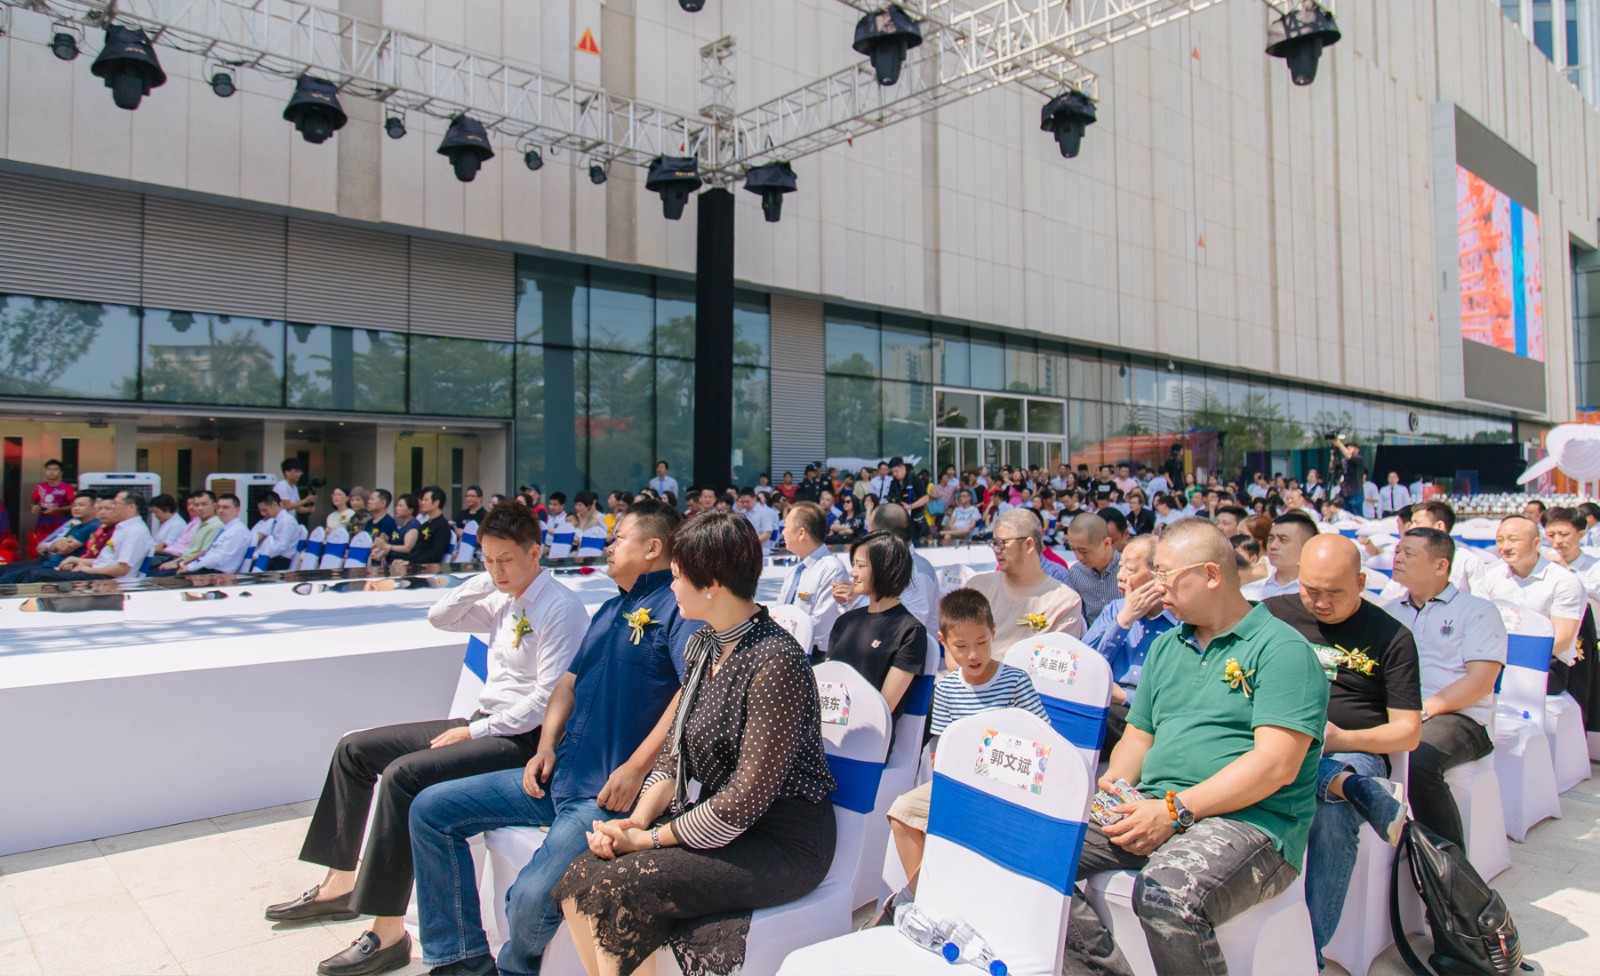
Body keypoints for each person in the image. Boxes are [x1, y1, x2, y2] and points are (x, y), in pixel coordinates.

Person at [268, 503, 588, 976]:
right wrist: (489, 580)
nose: (497, 569)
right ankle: (339, 883)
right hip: (483, 720)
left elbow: (547, 699)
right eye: (488, 559)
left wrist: (473, 731)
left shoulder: (560, 607)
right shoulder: (502, 596)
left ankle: (387, 932)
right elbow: (441, 616)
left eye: (505, 559)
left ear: (535, 552)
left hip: (521, 738)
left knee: (404, 776)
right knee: (355, 750)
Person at [408, 501, 697, 976]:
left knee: (527, 898)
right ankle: (459, 958)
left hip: (605, 794)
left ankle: (512, 968)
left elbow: (691, 692)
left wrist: (636, 769)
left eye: (619, 538)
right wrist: (545, 747)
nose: (608, 546)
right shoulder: (611, 609)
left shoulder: (678, 610)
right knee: (430, 810)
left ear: (652, 548)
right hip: (561, 774)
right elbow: (566, 683)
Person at [553, 513, 836, 976]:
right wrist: (635, 822)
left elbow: (744, 800)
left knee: (621, 889)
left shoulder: (776, 663)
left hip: (780, 840)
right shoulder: (703, 644)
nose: (672, 587)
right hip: (722, 819)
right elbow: (674, 756)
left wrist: (647, 840)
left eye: (678, 576)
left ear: (712, 584)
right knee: (579, 878)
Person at [1063, 518, 1329, 976]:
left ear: (1210, 575)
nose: (1154, 584)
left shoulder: (1282, 649)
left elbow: (1275, 766)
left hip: (1251, 822)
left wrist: (1174, 810)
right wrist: (1114, 787)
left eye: (1165, 574)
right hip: (1156, 804)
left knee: (1166, 893)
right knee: (1036, 847)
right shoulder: (1169, 645)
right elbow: (1139, 736)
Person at [1262, 535, 1420, 965]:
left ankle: (1308, 954)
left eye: (1335, 592)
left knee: (1332, 812)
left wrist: (1340, 739)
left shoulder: (1392, 636)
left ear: (1361, 582)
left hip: (1353, 748)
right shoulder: (1272, 615)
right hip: (1278, 738)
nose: (1321, 603)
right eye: (1311, 590)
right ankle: (1354, 789)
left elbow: (1408, 732)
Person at [883, 588, 1049, 898]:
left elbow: (1042, 740)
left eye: (982, 643)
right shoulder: (947, 689)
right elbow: (942, 745)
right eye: (961, 646)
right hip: (960, 784)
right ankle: (925, 896)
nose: (973, 655)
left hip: (1006, 787)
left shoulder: (1015, 681)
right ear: (944, 642)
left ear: (993, 633)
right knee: (902, 810)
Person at [1385, 528, 1504, 850]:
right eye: (1397, 552)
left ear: (1440, 566)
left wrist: (1423, 710)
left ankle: (1448, 865)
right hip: (1400, 710)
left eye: (1409, 554)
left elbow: (1480, 682)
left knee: (1419, 758)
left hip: (1461, 718)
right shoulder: (1390, 610)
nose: (1398, 559)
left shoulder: (1477, 611)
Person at [1083, 535, 1179, 756]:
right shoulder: (1115, 610)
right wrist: (1124, 621)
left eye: (1131, 570)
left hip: (1150, 716)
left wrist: (1125, 697)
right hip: (1104, 704)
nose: (1121, 576)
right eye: (1120, 567)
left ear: (1158, 574)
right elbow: (1085, 666)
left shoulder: (1180, 618)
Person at [825, 531, 926, 716]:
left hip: (869, 726)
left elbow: (884, 707)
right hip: (829, 721)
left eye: (861, 565)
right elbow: (827, 680)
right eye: (853, 564)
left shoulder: (910, 631)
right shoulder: (845, 621)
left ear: (884, 568)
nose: (853, 573)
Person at [1482, 515, 1586, 692]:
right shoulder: (1490, 575)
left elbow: (1561, 640)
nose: (1505, 547)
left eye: (1513, 540)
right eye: (1500, 540)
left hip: (1544, 663)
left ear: (1536, 543)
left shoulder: (1564, 581)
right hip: (1493, 658)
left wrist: (1509, 655)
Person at [967, 509, 1084, 660]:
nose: (996, 550)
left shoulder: (1065, 601)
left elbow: (1055, 664)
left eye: (1002, 543)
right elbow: (956, 645)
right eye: (994, 543)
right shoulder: (977, 587)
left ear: (1029, 545)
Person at [13, 490, 153, 584]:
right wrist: (78, 561)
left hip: (108, 580)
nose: (113, 507)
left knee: (35, 575)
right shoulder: (123, 528)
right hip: (99, 572)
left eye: (116, 504)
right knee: (28, 573)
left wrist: (87, 569)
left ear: (132, 507)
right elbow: (107, 561)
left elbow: (121, 570)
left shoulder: (135, 531)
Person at [777, 501, 851, 656]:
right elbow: (780, 611)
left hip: (813, 654)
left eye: (785, 526)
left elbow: (821, 626)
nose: (783, 532)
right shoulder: (794, 572)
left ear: (801, 533)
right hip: (787, 651)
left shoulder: (831, 569)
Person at [0, 493, 98, 583]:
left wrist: (55, 545)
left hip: (57, 566)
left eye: (81, 505)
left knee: (10, 577)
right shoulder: (76, 526)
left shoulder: (93, 525)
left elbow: (63, 548)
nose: (76, 508)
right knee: (4, 569)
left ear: (94, 508)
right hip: (48, 561)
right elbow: (57, 545)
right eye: (74, 505)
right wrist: (57, 545)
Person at [1241, 511, 1318, 601]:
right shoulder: (1249, 593)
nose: (1273, 546)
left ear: (1306, 546)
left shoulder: (1316, 594)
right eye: (1270, 539)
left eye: (1283, 540)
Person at [1066, 512, 1123, 624]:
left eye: (1084, 551)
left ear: (1106, 543)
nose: (1078, 557)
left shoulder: (1128, 569)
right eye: (1073, 549)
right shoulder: (1076, 573)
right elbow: (1077, 619)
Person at [179, 493, 251, 575]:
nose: (220, 510)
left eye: (225, 507)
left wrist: (191, 567)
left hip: (218, 575)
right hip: (206, 569)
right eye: (218, 507)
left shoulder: (238, 531)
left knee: (173, 576)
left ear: (237, 510)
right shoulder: (226, 528)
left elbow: (220, 559)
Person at [406, 486, 456, 567]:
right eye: (422, 500)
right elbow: (417, 549)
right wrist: (406, 561)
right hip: (415, 565)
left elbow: (436, 553)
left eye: (426, 500)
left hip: (426, 569)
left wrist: (411, 563)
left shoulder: (442, 526)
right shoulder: (425, 525)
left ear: (436, 502)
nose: (422, 503)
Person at [255, 492, 302, 571]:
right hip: (275, 557)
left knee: (250, 565)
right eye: (261, 511)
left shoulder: (287, 521)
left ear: (274, 504)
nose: (263, 514)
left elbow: (281, 546)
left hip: (281, 560)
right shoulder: (276, 520)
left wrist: (261, 555)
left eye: (265, 510)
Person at [28, 458, 75, 537]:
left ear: (61, 472)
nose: (51, 472)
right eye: (49, 469)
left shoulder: (67, 487)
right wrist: (34, 507)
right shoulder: (40, 487)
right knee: (41, 540)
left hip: (60, 520)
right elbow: (32, 503)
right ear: (45, 471)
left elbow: (73, 506)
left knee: (58, 540)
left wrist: (57, 509)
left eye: (55, 469)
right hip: (43, 520)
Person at [1332, 436, 1366, 517]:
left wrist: (1339, 443)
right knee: (1346, 515)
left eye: (1351, 447)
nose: (1347, 449)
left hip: (1355, 492)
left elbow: (1349, 456)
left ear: (1357, 449)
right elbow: (1335, 471)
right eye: (1347, 447)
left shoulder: (1359, 459)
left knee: (1357, 515)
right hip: (1345, 492)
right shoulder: (1344, 462)